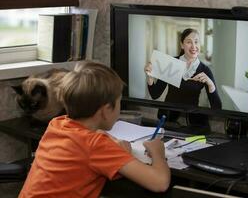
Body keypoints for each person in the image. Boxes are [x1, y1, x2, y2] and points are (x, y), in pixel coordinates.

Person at [19, 61, 170, 197]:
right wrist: (158, 152)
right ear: (105, 111)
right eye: (119, 102)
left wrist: (112, 147)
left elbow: (84, 144)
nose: (120, 108)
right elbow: (159, 183)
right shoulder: (96, 145)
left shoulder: (56, 124)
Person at [144, 28, 222, 125]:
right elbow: (155, 94)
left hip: (191, 120)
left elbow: (217, 108)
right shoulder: (171, 63)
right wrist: (150, 77)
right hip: (168, 118)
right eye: (189, 42)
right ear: (182, 45)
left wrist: (211, 85)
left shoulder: (205, 70)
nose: (194, 46)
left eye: (196, 42)